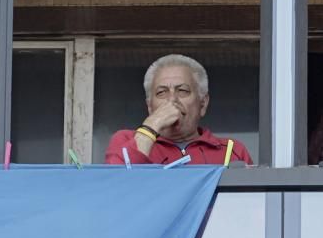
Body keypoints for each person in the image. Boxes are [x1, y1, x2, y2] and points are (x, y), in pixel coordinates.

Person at [105, 54, 253, 166]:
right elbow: (117, 188)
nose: (172, 100)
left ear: (203, 103)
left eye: (182, 90)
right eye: (161, 93)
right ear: (150, 106)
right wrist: (151, 126)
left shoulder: (231, 151)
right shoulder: (126, 140)